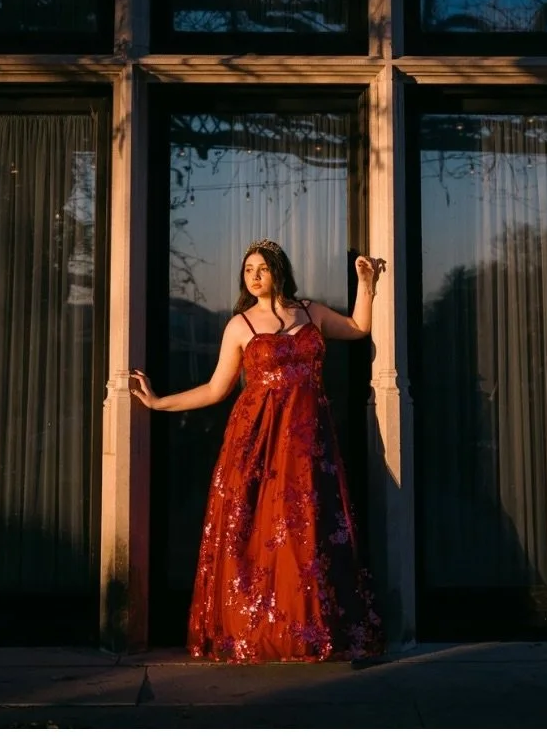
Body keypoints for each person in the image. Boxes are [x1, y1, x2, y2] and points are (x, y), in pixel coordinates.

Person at [129, 239, 385, 663]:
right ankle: (256, 630)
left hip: (308, 442)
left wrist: (366, 282)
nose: (254, 276)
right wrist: (158, 403)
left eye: (262, 268)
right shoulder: (240, 325)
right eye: (248, 269)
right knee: (257, 531)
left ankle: (308, 630)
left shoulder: (311, 312)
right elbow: (216, 389)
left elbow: (359, 327)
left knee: (306, 531)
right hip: (257, 441)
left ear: (279, 271)